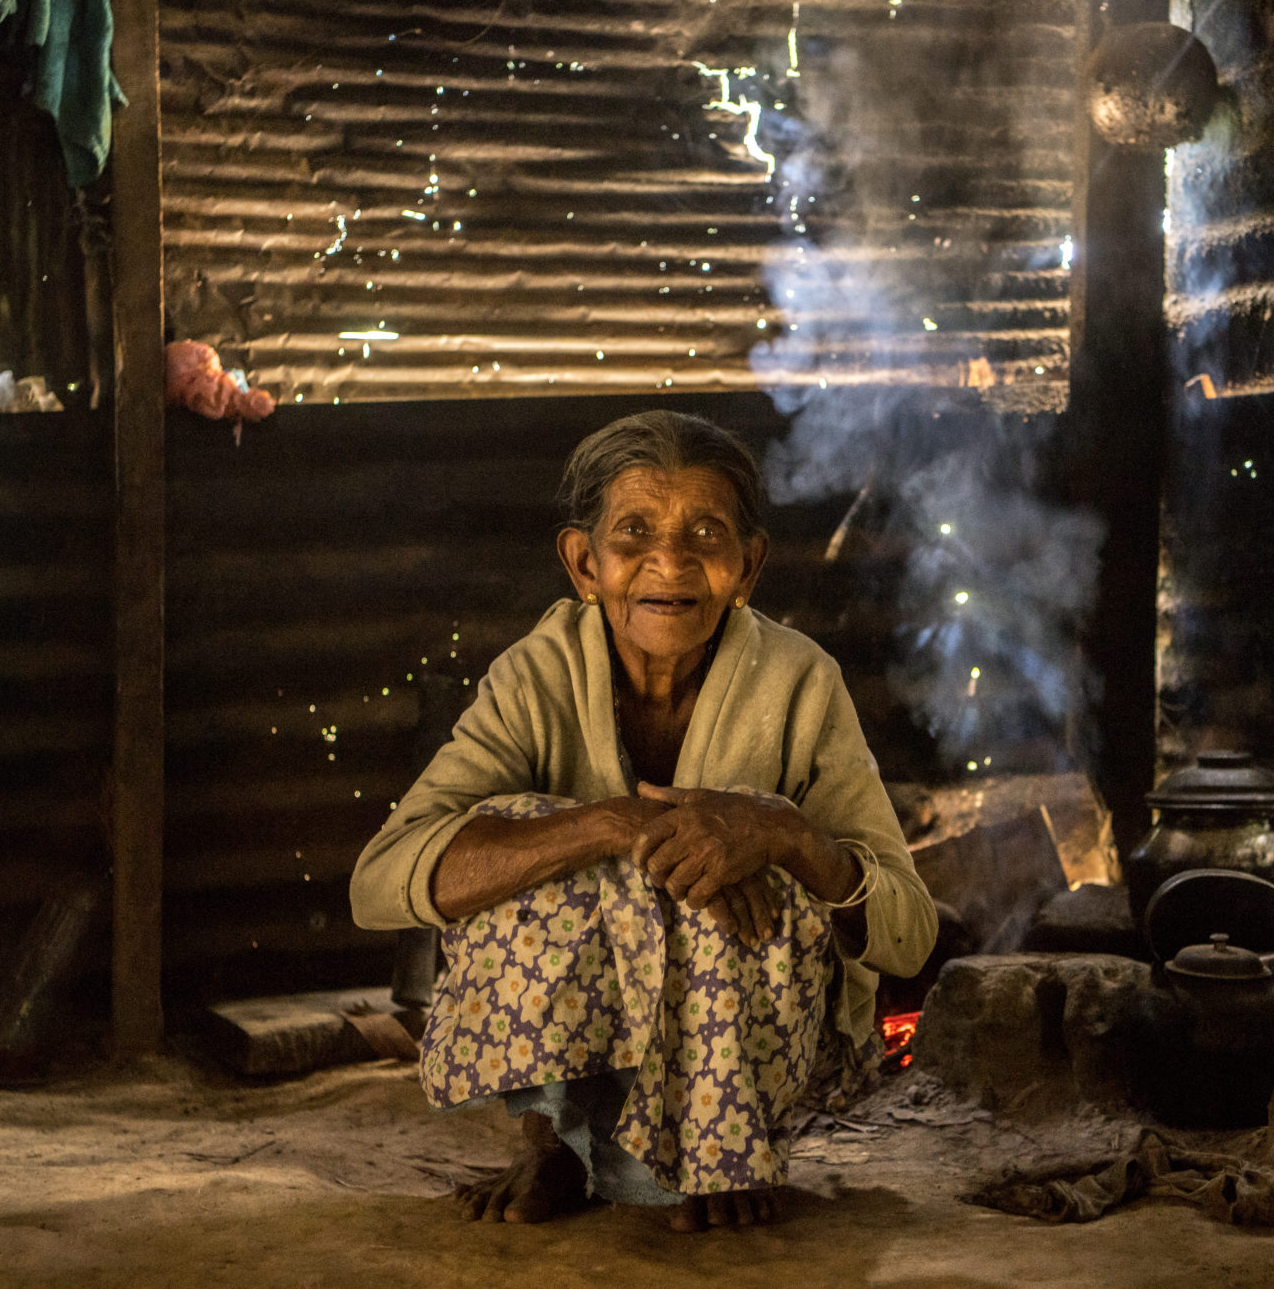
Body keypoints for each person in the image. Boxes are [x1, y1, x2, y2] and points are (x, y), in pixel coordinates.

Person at [349, 410, 937, 1232]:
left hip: (755, 1054)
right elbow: (380, 882)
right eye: (634, 533)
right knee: (520, 828)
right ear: (585, 563)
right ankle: (549, 1141)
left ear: (748, 565)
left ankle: (729, 1149)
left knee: (772, 853)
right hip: (596, 1034)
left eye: (707, 532)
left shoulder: (800, 683)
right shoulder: (536, 676)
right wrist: (609, 825)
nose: (670, 562)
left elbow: (909, 935)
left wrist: (785, 834)